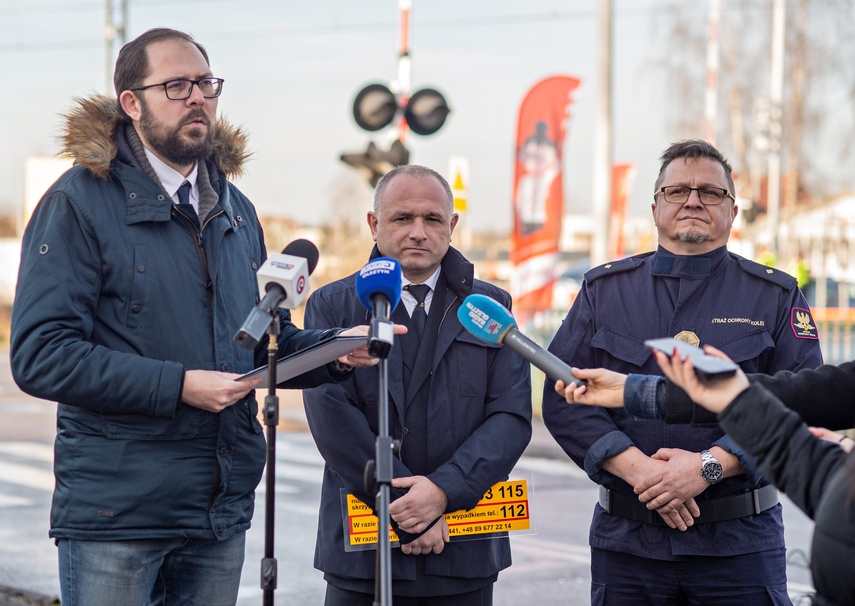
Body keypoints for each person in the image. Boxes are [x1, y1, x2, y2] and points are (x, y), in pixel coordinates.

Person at [9, 27, 390, 606]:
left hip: (219, 511)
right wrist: (179, 386)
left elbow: (264, 337)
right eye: (177, 85)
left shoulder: (237, 212)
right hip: (118, 514)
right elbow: (41, 355)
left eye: (206, 84)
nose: (198, 98)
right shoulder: (78, 203)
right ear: (131, 104)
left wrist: (335, 351)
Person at [541, 139, 823, 604]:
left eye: (711, 193)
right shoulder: (604, 291)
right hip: (629, 545)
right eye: (678, 191)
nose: (693, 200)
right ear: (655, 208)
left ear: (732, 212)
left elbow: (800, 402)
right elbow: (563, 395)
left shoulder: (774, 296)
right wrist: (639, 472)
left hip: (739, 545)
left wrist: (709, 466)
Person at [301, 164, 532, 605]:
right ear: (374, 224)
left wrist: (443, 493)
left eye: (432, 219)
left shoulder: (491, 307)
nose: (419, 232)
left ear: (453, 225)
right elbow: (333, 421)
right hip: (364, 553)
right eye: (402, 218)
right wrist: (406, 508)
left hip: (463, 550)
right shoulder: (332, 307)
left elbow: (510, 416)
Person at [653, 346, 855, 606]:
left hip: (740, 541)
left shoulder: (778, 303)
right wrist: (645, 394)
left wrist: (708, 465)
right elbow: (811, 400)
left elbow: (806, 401)